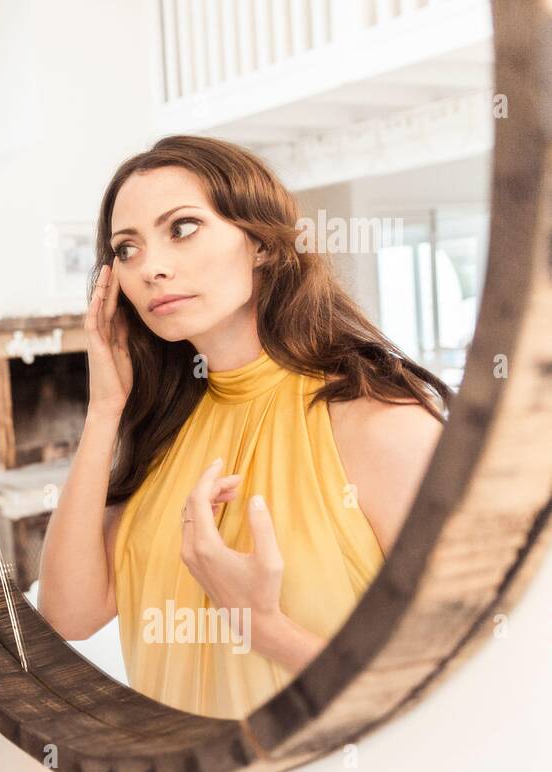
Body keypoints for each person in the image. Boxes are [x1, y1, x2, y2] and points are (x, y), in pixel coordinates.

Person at [38, 135, 448, 720]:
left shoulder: (380, 425)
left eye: (181, 228)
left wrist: (264, 627)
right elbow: (68, 612)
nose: (151, 267)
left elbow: (448, 684)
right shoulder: (167, 430)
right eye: (126, 249)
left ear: (259, 242)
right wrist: (105, 409)